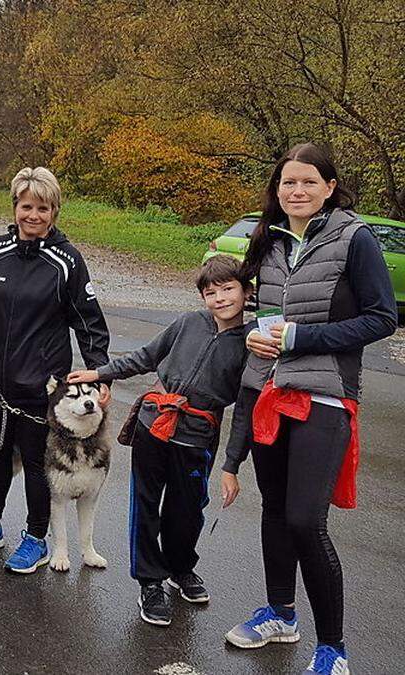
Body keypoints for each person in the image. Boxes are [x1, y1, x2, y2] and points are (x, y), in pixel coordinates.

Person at [219, 144, 396, 675]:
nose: (296, 191)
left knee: (304, 519)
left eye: (308, 182)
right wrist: (255, 335)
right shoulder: (268, 241)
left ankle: (333, 648)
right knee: (274, 511)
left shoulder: (353, 237)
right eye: (287, 183)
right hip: (269, 390)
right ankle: (280, 613)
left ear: (329, 186)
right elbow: (260, 315)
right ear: (277, 190)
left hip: (324, 394)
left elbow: (381, 318)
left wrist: (299, 337)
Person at [66, 255, 251, 625]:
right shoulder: (188, 323)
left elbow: (247, 407)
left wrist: (233, 463)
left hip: (198, 435)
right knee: (147, 504)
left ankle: (181, 569)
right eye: (210, 292)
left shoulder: (251, 342)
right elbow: (146, 357)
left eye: (228, 289)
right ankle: (150, 581)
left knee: (187, 510)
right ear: (202, 297)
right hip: (154, 426)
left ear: (247, 292)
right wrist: (102, 372)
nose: (220, 299)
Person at [0, 166, 109, 571]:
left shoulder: (67, 261)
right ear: (15, 207)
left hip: (40, 389)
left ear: (54, 211)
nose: (33, 216)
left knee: (40, 465)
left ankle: (36, 537)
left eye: (43, 208)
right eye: (27, 207)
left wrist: (99, 374)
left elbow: (90, 323)